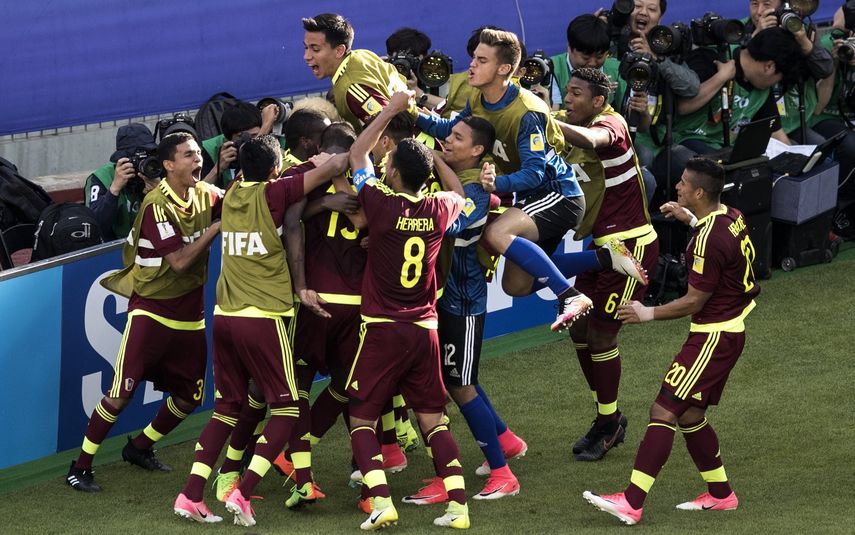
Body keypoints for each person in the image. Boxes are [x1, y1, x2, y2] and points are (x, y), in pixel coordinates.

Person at [417, 28, 645, 332]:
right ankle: (604, 257)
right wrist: (406, 110)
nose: (471, 65)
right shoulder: (476, 95)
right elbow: (450, 129)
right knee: (516, 285)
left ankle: (571, 296)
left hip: (558, 194)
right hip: (531, 199)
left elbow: (535, 173)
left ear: (504, 69)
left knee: (496, 233)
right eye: (473, 58)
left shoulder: (527, 112)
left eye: (481, 60)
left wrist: (496, 184)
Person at [172, 136, 348, 526]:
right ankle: (243, 492)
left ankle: (191, 495)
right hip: (263, 317)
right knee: (286, 406)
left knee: (227, 408)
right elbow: (336, 167)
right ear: (274, 170)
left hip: (225, 318)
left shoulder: (232, 192)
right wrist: (318, 160)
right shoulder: (276, 191)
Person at [583, 157, 759, 525]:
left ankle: (632, 502)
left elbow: (695, 300)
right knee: (691, 414)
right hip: (730, 330)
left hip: (714, 336)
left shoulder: (708, 241)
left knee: (663, 410)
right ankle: (721, 494)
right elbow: (719, 243)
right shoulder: (731, 215)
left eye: (682, 183)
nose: (676, 187)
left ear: (698, 191)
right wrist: (689, 218)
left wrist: (647, 312)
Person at [66, 132, 222, 492]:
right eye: (188, 155)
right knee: (120, 394)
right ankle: (81, 465)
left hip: (190, 312)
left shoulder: (206, 194)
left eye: (198, 153)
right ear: (168, 165)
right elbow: (181, 262)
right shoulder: (157, 205)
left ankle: (139, 446)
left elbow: (238, 204)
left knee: (189, 397)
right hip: (151, 310)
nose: (198, 160)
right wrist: (215, 228)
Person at [346, 90, 471, 530]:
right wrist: (434, 155)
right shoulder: (440, 208)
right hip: (425, 328)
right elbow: (458, 190)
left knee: (361, 415)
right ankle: (458, 507)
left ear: (394, 173)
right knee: (433, 420)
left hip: (382, 328)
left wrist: (392, 110)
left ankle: (381, 501)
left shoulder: (379, 203)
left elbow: (357, 151)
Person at [402, 116, 528, 507]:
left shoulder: (473, 187)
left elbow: (452, 223)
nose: (447, 141)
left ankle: (502, 475)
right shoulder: (461, 178)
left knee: (458, 385)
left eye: (457, 138)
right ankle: (506, 441)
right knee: (459, 378)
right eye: (448, 134)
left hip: (463, 302)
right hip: (446, 300)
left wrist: (431, 160)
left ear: (477, 150)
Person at [556, 68, 659, 462]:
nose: (569, 99)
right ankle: (608, 417)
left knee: (601, 336)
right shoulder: (567, 122)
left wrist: (544, 118)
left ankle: (607, 422)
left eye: (577, 93)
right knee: (578, 328)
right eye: (567, 91)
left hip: (628, 250)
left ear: (598, 101)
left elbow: (590, 139)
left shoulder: (611, 124)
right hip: (598, 247)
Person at [655, 28, 805, 202]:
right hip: (684, 140)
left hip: (725, 151)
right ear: (769, 66)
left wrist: (797, 159)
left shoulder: (762, 89)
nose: (777, 83)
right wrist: (721, 78)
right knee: (721, 174)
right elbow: (681, 106)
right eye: (779, 78)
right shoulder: (711, 59)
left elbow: (779, 138)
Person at [302, 12, 408, 133]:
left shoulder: (352, 90)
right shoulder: (362, 54)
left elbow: (391, 130)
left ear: (339, 50)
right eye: (306, 47)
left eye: (315, 49)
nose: (307, 56)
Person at [84, 123, 161, 241]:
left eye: (147, 155)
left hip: (150, 242)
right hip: (113, 247)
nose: (143, 162)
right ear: (122, 158)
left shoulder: (155, 170)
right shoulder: (101, 178)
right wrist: (114, 190)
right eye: (137, 158)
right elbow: (94, 226)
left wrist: (161, 194)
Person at [200, 101, 278, 188]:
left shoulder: (270, 145)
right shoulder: (211, 149)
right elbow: (198, 195)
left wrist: (264, 131)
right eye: (241, 137)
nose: (249, 141)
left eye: (254, 136)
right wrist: (217, 169)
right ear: (227, 139)